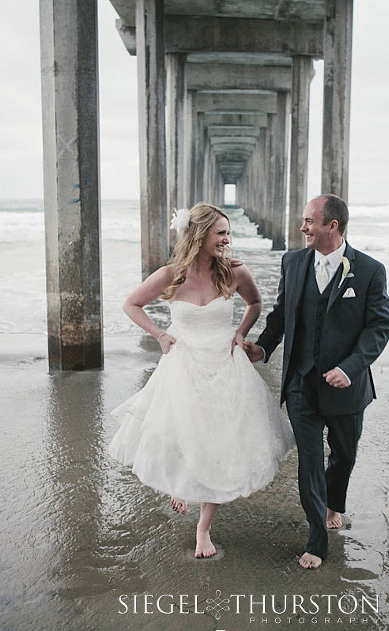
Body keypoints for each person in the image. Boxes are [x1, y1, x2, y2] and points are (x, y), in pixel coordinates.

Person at [109, 202, 294, 559]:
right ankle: (183, 482)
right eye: (221, 233)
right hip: (185, 364)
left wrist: (241, 333)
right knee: (184, 433)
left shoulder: (235, 271)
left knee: (221, 444)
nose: (227, 239)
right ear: (199, 235)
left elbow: (256, 303)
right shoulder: (171, 274)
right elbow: (131, 305)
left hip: (225, 365)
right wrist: (161, 335)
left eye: (228, 233)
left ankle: (203, 528)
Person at [243, 194, 389, 569]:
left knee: (344, 455)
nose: (302, 227)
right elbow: (280, 315)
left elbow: (380, 326)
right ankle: (317, 540)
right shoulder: (292, 262)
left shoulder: (370, 270)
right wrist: (263, 348)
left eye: (309, 221)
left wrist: (352, 367)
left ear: (333, 226)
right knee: (309, 463)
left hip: (346, 386)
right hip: (301, 382)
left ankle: (334, 503)